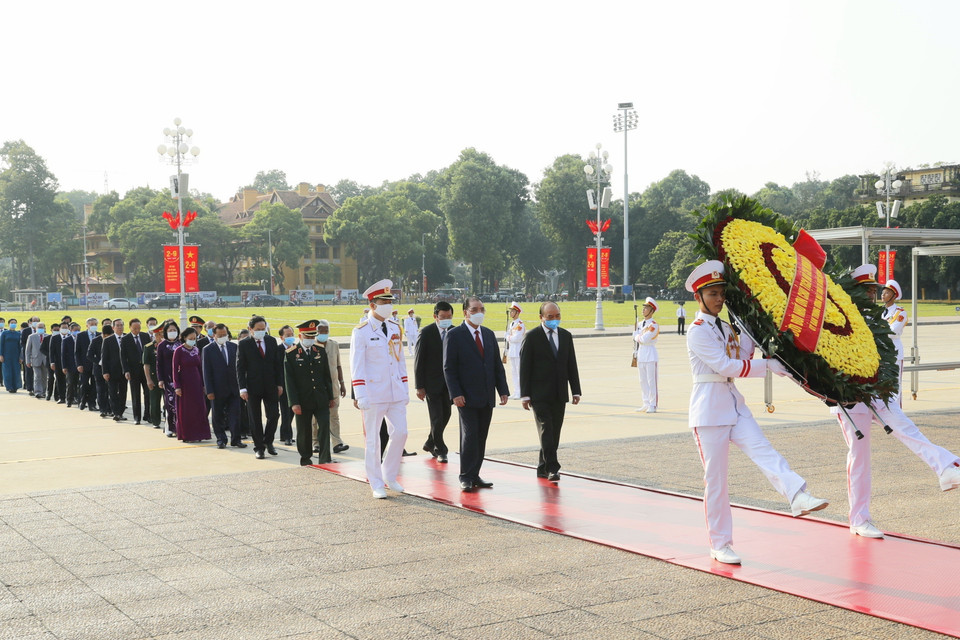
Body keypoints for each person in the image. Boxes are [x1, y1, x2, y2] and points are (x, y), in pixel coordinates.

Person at [684, 260, 829, 565]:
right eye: (712, 294)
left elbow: (742, 354)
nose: (719, 299)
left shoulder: (725, 326)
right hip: (709, 411)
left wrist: (755, 327)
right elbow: (726, 366)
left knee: (764, 449)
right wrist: (768, 366)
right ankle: (720, 543)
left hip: (733, 403)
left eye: (721, 292)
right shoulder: (697, 331)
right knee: (717, 481)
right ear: (698, 297)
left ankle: (797, 495)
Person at [832, 265, 960, 539]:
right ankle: (858, 518)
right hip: (851, 397)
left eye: (873, 290)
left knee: (903, 425)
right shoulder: (839, 315)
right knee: (859, 457)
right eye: (866, 290)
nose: (873, 294)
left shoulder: (876, 314)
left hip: (876, 387)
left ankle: (946, 466)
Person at [350, 279, 409, 499]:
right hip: (373, 394)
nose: (389, 305)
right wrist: (360, 393)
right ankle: (375, 482)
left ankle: (389, 474)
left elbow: (400, 359)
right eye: (384, 302)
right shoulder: (362, 331)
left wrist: (405, 387)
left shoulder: (395, 327)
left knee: (401, 432)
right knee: (373, 440)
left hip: (394, 390)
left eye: (390, 301)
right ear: (373, 305)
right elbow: (357, 365)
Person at [443, 296, 509, 492]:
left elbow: (496, 365)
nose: (478, 313)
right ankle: (465, 475)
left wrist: (503, 390)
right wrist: (455, 393)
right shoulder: (454, 335)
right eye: (474, 309)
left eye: (481, 309)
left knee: (481, 436)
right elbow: (449, 368)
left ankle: (475, 473)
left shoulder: (488, 334)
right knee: (470, 435)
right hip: (466, 397)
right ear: (465, 312)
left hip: (486, 394)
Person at [519, 301, 581, 482]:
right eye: (550, 317)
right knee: (546, 429)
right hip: (539, 393)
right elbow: (525, 367)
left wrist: (576, 390)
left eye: (557, 316)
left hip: (559, 392)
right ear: (541, 317)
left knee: (554, 431)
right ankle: (553, 468)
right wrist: (525, 395)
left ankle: (542, 467)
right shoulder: (532, 337)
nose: (554, 320)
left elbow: (571, 364)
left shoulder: (566, 336)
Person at [284, 319, 335, 466]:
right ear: (300, 337)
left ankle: (325, 458)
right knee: (304, 431)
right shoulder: (291, 354)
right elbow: (290, 381)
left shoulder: (319, 350)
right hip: (302, 400)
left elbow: (327, 376)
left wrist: (330, 396)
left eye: (313, 336)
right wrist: (294, 403)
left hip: (321, 398)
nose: (311, 339)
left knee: (324, 427)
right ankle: (305, 457)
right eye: (307, 337)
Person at [237, 315, 283, 459]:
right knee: (255, 419)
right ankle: (259, 448)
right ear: (250, 329)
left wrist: (280, 383)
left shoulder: (271, 341)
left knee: (274, 415)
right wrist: (242, 388)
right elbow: (240, 367)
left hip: (270, 385)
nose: (261, 332)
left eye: (263, 329)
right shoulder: (244, 344)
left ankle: (268, 441)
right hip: (252, 387)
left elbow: (277, 364)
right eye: (258, 329)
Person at [415, 301, 455, 462]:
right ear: (435, 316)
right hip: (431, 384)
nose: (446, 319)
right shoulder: (426, 332)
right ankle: (440, 449)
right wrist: (419, 386)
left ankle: (430, 442)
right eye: (443, 317)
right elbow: (419, 360)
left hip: (450, 384)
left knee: (447, 414)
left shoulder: (455, 331)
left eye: (449, 316)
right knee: (437, 417)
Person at [202, 323, 244, 448]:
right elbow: (206, 371)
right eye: (220, 335)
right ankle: (221, 439)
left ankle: (236, 439)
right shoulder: (208, 349)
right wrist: (209, 390)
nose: (222, 337)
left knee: (235, 415)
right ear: (214, 335)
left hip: (234, 388)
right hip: (217, 389)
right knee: (218, 416)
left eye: (225, 335)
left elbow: (239, 368)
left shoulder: (233, 347)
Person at [171, 327, 211, 442]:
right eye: (190, 338)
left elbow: (200, 368)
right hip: (185, 384)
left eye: (194, 338)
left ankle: (200, 433)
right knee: (187, 410)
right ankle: (188, 434)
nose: (193, 340)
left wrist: (204, 384)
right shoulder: (179, 350)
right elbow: (174, 369)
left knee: (199, 408)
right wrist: (177, 386)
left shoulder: (196, 350)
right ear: (184, 338)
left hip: (197, 383)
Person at [315, 320, 349, 455]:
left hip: (334, 386)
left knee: (334, 416)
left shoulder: (334, 345)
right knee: (315, 418)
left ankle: (337, 443)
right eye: (321, 331)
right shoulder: (313, 346)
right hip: (318, 388)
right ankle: (315, 442)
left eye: (326, 331)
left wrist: (342, 383)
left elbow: (338, 365)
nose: (323, 334)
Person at [634, 297, 660, 413]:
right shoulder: (640, 324)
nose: (643, 310)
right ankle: (645, 403)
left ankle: (653, 404)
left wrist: (636, 336)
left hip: (650, 354)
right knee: (642, 380)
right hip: (641, 354)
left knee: (651, 381)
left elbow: (644, 339)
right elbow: (639, 340)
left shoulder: (654, 325)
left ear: (652, 311)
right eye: (643, 308)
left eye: (646, 308)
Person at [121, 318, 149, 424]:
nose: (137, 330)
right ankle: (137, 417)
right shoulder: (125, 339)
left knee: (147, 393)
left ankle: (148, 415)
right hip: (133, 371)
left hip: (145, 370)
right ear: (130, 328)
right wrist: (126, 370)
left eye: (139, 328)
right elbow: (123, 357)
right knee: (135, 394)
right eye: (135, 328)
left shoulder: (145, 336)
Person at [155, 320, 181, 437]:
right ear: (165, 332)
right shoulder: (162, 345)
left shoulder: (181, 343)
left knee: (180, 404)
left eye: (174, 330)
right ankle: (170, 427)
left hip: (181, 378)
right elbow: (159, 364)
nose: (172, 332)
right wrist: (160, 379)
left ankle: (180, 427)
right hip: (168, 378)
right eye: (170, 330)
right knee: (170, 403)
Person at [101, 319, 127, 421]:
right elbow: (104, 357)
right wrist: (105, 371)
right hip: (112, 372)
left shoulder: (126, 338)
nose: (120, 327)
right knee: (112, 393)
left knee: (123, 392)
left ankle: (120, 413)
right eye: (117, 325)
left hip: (124, 371)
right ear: (113, 328)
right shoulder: (108, 340)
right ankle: (115, 412)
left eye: (121, 325)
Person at [88, 319, 113, 418]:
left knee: (110, 391)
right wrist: (99, 361)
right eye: (106, 336)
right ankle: (102, 409)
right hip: (98, 369)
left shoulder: (112, 340)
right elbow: (89, 355)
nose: (107, 338)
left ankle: (110, 409)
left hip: (110, 369)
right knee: (101, 390)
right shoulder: (95, 340)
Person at [277, 325, 296, 446]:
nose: (290, 337)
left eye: (291, 335)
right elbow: (276, 369)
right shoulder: (277, 350)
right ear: (281, 337)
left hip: (294, 386)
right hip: (283, 386)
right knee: (285, 412)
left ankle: (283, 434)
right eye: (287, 335)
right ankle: (288, 436)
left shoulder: (297, 348)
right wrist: (278, 385)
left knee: (292, 411)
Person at [142, 324, 163, 429]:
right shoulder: (149, 347)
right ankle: (156, 421)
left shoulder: (169, 346)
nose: (161, 336)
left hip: (166, 378)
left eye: (163, 334)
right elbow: (146, 365)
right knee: (154, 401)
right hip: (154, 378)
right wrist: (148, 379)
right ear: (155, 335)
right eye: (159, 334)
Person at [75, 318, 98, 412]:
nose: (93, 326)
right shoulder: (81, 335)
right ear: (87, 326)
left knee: (94, 385)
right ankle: (82, 401)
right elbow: (77, 352)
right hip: (84, 365)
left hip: (95, 365)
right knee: (84, 384)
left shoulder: (99, 335)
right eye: (91, 324)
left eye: (95, 324)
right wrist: (79, 364)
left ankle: (92, 404)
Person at [505, 302, 526, 400]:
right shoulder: (512, 324)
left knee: (519, 372)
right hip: (512, 351)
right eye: (511, 311)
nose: (511, 313)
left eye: (513, 311)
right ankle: (516, 391)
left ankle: (521, 391)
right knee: (513, 372)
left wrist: (508, 337)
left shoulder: (520, 324)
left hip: (518, 351)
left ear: (517, 313)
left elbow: (516, 338)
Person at [24, 322, 47, 399]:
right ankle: (37, 392)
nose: (40, 329)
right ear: (36, 328)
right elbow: (28, 350)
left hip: (45, 360)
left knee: (44, 377)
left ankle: (43, 392)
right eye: (39, 327)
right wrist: (28, 361)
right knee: (37, 376)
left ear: (44, 328)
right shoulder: (31, 337)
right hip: (35, 359)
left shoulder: (48, 336)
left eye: (42, 327)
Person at [61, 322, 81, 407]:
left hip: (80, 366)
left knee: (80, 384)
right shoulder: (66, 340)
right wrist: (64, 366)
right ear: (71, 330)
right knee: (70, 383)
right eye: (75, 330)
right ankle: (69, 400)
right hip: (70, 366)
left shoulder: (81, 339)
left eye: (78, 330)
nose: (77, 332)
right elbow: (63, 354)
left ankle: (79, 400)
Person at [20, 317, 38, 394]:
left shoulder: (40, 330)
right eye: (34, 321)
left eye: (37, 321)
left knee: (37, 373)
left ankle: (37, 388)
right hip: (29, 354)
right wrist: (29, 350)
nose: (36, 322)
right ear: (30, 322)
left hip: (38, 355)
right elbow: (23, 343)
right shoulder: (26, 331)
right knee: (29, 372)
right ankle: (30, 388)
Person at [49, 323, 65, 403]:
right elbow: (51, 352)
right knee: (59, 380)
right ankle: (61, 397)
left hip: (68, 362)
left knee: (70, 381)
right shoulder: (55, 338)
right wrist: (52, 362)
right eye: (63, 328)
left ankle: (71, 397)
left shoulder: (70, 337)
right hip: (57, 362)